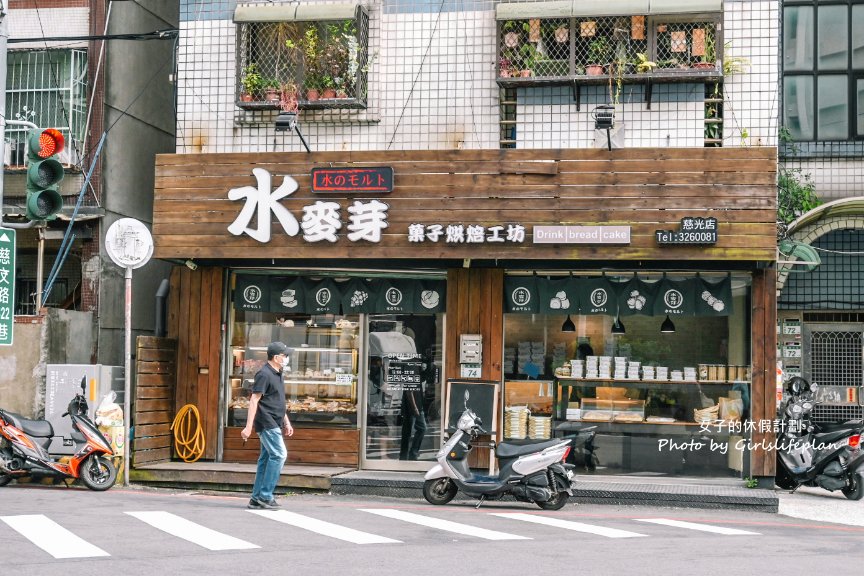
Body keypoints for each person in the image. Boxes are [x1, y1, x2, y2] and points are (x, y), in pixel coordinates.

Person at [241, 341, 294, 509]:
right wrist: (248, 427)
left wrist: (286, 421)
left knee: (266, 459)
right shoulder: (264, 374)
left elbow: (277, 400)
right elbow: (254, 400)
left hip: (275, 421)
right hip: (266, 421)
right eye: (285, 355)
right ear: (276, 357)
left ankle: (256, 498)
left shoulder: (278, 373)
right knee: (279, 455)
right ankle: (265, 495)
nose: (287, 358)